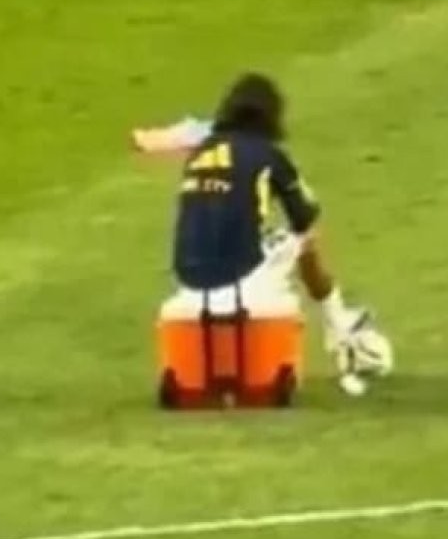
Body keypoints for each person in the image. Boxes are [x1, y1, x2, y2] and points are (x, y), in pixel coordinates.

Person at [135, 72, 369, 353]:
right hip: (240, 288)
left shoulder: (200, 153)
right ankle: (339, 324)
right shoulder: (269, 155)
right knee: (306, 237)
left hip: (187, 288)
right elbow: (304, 218)